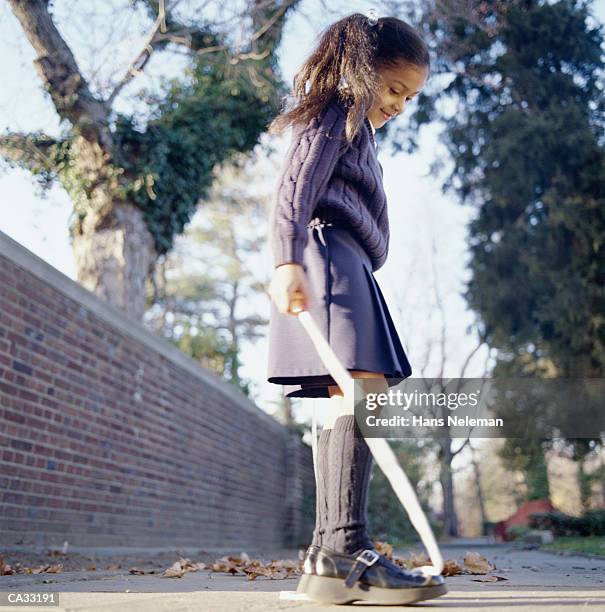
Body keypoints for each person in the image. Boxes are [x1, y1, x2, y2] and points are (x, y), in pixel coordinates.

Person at [265, 10, 447, 606]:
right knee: (364, 390)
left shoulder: (360, 131)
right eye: (394, 89)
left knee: (357, 397)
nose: (399, 104)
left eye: (409, 96)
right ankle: (346, 548)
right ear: (362, 71)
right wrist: (286, 261)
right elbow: (295, 185)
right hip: (327, 254)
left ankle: (329, 555)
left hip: (350, 262)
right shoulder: (334, 110)